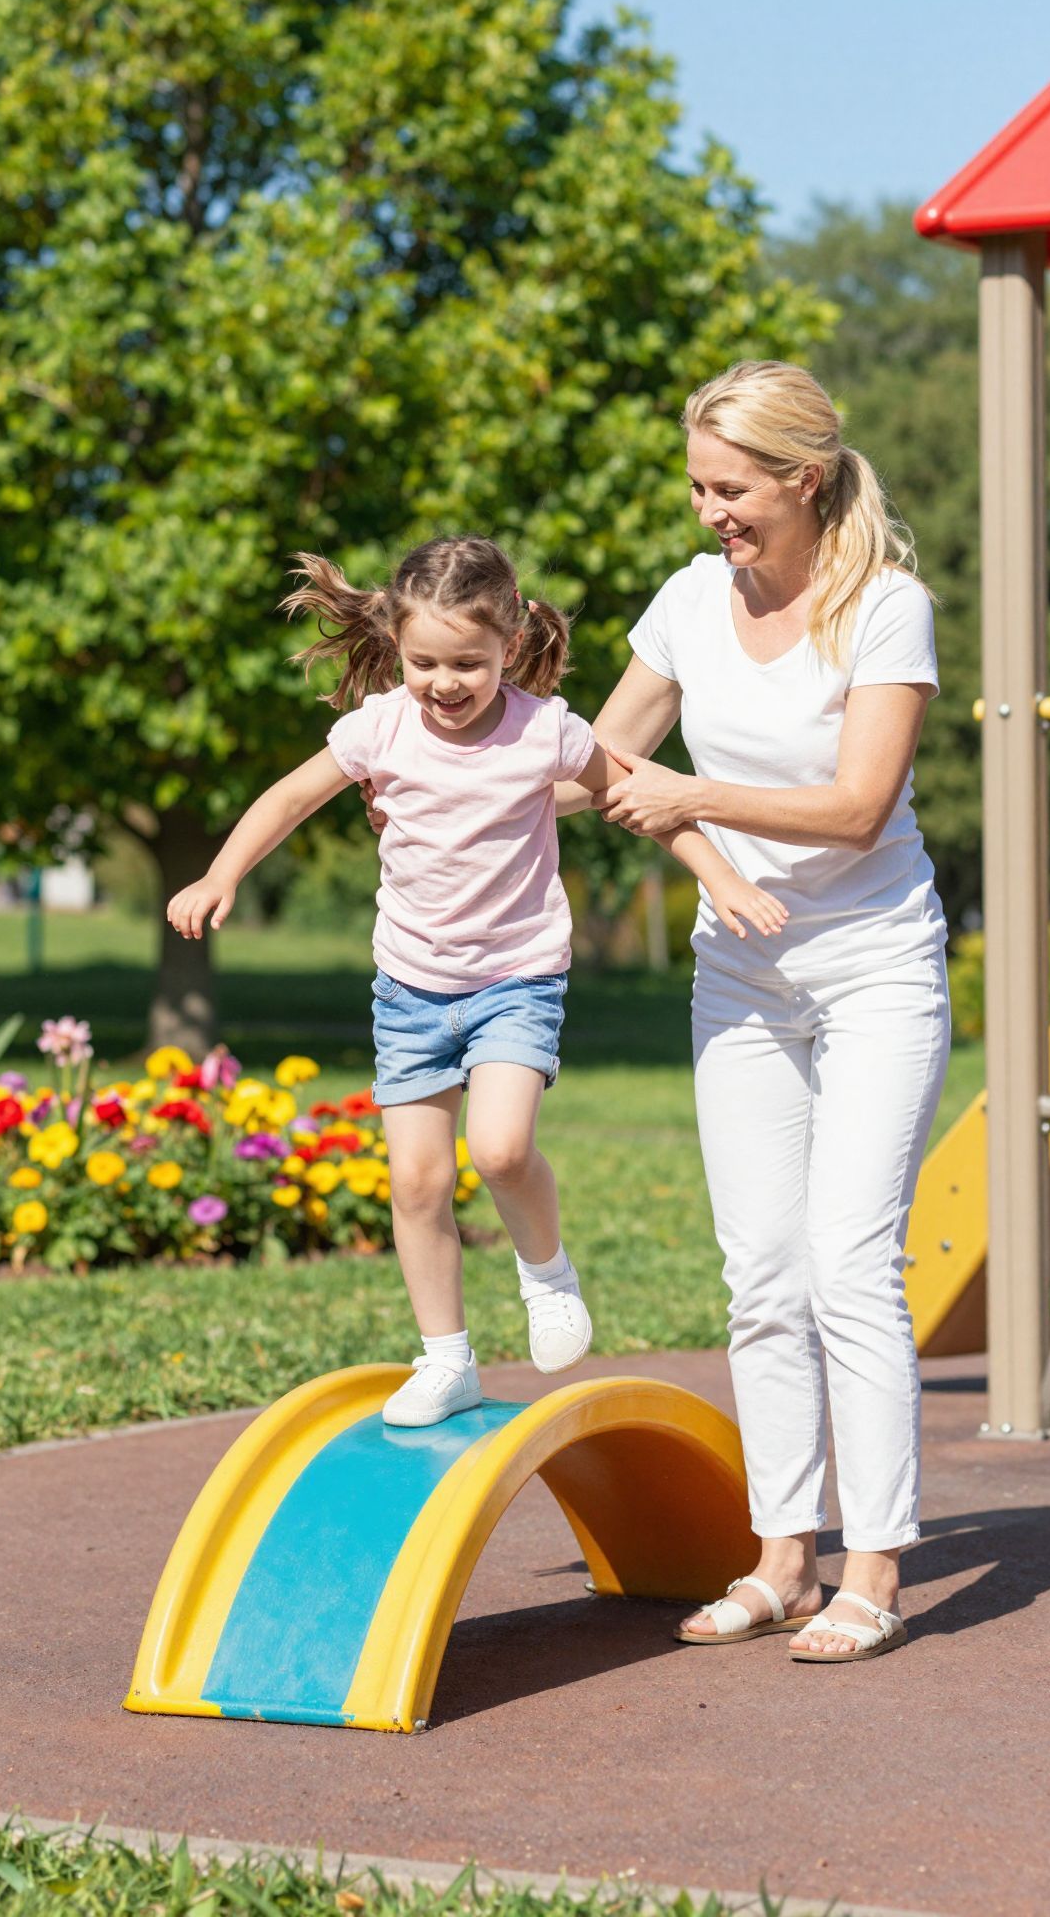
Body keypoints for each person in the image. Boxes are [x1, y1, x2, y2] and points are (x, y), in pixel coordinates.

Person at [167, 534, 786, 1429]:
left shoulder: (548, 730)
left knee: (498, 1149)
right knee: (417, 1184)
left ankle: (548, 1276)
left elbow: (644, 796)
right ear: (395, 646)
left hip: (515, 979)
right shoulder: (378, 726)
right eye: (424, 662)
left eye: (468, 661)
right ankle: (446, 1358)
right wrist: (220, 874)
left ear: (510, 644)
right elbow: (288, 799)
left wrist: (720, 876)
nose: (444, 683)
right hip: (410, 985)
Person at [559, 361, 950, 1661]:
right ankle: (782, 1556)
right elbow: (603, 758)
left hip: (875, 962)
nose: (711, 512)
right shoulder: (687, 602)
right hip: (740, 970)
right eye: (698, 487)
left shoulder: (885, 610)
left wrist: (694, 801)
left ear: (805, 479)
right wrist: (451, 746)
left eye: (731, 489)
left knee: (849, 1262)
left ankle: (876, 1569)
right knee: (762, 1275)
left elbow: (854, 805)